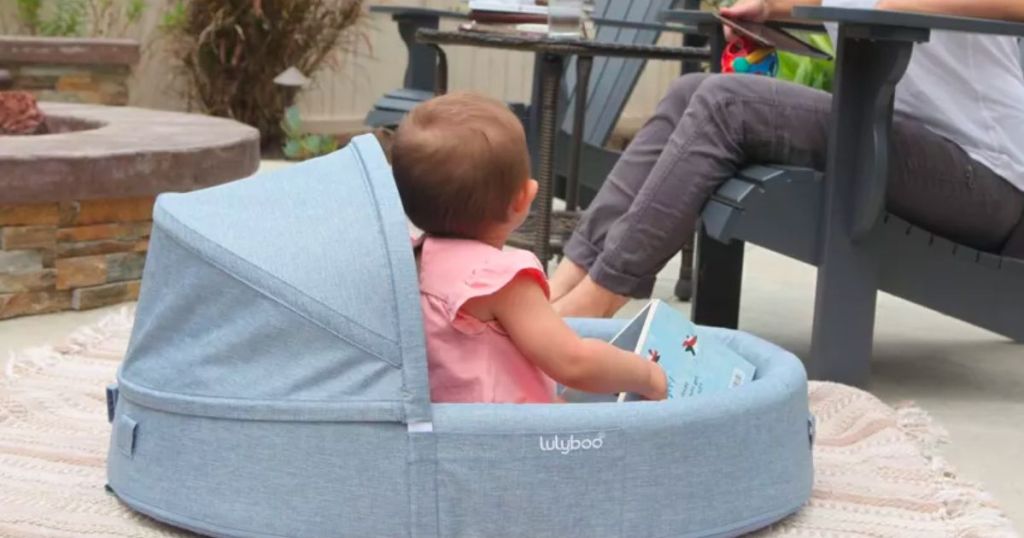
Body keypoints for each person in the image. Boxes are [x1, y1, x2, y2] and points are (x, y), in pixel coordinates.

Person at [550, 0, 1024, 318]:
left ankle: (594, 305)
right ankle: (558, 290)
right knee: (688, 92)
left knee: (726, 104)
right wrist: (772, 8)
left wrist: (887, 7)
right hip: (899, 141)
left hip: (987, 173)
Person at [391, 91, 667, 403]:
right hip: (511, 437)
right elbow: (574, 362)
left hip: (449, 430)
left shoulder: (410, 263)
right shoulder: (500, 279)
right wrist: (646, 375)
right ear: (524, 197)